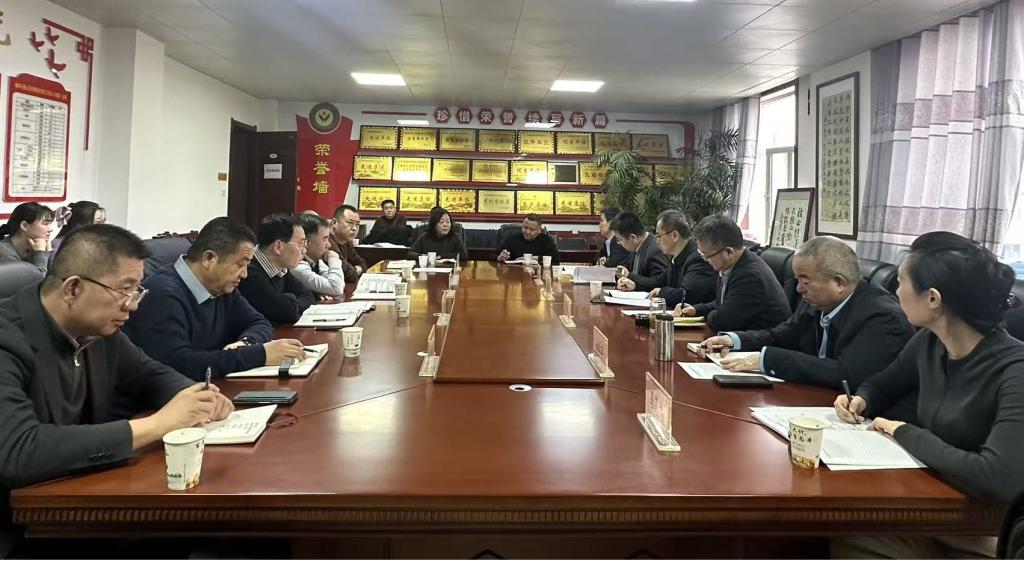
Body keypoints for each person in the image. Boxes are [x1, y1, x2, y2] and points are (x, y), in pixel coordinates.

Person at [0, 224, 233, 496]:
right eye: (125, 290)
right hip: (25, 510)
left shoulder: (98, 331)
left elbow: (149, 375)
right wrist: (158, 425)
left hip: (80, 488)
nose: (132, 305)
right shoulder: (8, 337)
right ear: (73, 289)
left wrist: (197, 397)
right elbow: (17, 450)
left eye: (137, 291)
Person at [832, 231, 1024, 558]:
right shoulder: (930, 341)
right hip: (937, 507)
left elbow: (996, 477)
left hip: (988, 532)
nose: (895, 291)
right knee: (840, 533)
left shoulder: (1015, 368)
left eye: (901, 282)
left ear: (932, 299)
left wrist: (903, 431)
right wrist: (862, 398)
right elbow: (885, 383)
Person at [698, 236, 914, 391]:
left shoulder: (882, 317)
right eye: (797, 279)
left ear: (838, 283)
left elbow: (847, 375)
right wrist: (734, 340)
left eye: (805, 280)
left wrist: (768, 360)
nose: (799, 289)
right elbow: (783, 334)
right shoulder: (818, 300)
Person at [123, 217, 306, 381]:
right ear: (209, 259)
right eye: (240, 265)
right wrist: (259, 355)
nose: (244, 274)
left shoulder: (222, 288)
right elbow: (177, 364)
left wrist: (245, 343)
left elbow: (259, 322)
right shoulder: (162, 294)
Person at [676, 214, 790, 332]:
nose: (705, 260)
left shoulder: (750, 276)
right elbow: (721, 304)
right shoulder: (731, 265)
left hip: (759, 340)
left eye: (707, 256)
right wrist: (696, 310)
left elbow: (722, 322)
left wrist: (710, 315)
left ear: (728, 252)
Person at [617, 210, 715, 308]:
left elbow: (686, 295)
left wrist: (661, 292)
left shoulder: (697, 258)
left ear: (675, 235)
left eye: (659, 236)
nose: (657, 241)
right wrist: (635, 285)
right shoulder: (675, 256)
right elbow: (659, 283)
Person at [238, 213, 315, 325]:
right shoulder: (250, 272)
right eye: (301, 244)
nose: (304, 250)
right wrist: (291, 299)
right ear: (278, 246)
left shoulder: (280, 268)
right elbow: (286, 312)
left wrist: (290, 300)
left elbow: (308, 296)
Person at [609, 211, 668, 291]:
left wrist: (630, 277)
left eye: (620, 240)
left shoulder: (654, 250)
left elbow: (659, 282)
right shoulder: (635, 247)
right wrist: (622, 278)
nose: (619, 244)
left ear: (633, 237)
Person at [292, 213, 345, 299]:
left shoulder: (316, 261)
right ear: (307, 242)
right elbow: (337, 288)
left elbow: (340, 284)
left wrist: (321, 290)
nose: (329, 245)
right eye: (325, 239)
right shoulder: (297, 266)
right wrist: (333, 259)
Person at [0, 202, 54, 272]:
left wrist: (48, 254)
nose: (50, 229)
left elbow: (54, 276)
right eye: (45, 224)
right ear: (24, 226)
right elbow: (36, 278)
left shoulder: (34, 247)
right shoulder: (4, 252)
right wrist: (40, 254)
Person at [327, 204, 367, 282]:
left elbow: (362, 262)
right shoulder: (327, 242)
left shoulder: (347, 241)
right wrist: (355, 270)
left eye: (357, 224)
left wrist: (358, 269)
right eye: (350, 223)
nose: (354, 228)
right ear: (334, 222)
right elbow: (349, 275)